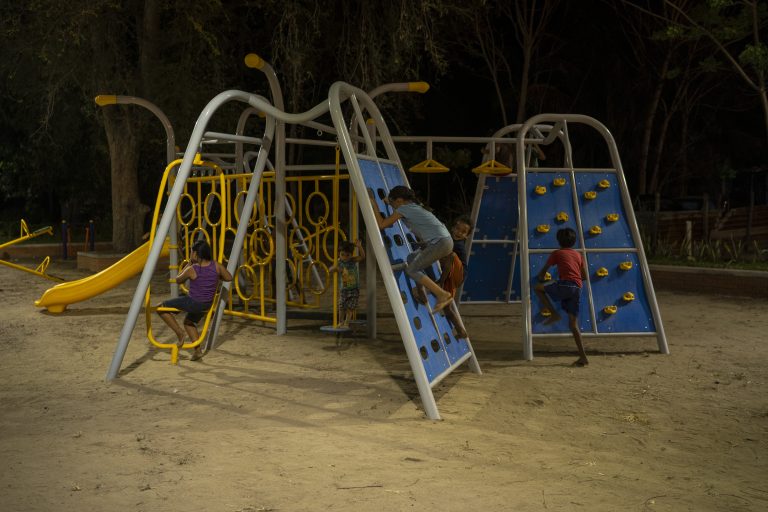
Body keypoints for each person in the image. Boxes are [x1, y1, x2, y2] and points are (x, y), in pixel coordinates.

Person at [369, 185, 453, 312]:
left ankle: (442, 294)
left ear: (399, 201)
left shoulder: (403, 209)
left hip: (439, 243)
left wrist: (374, 204)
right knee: (411, 258)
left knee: (411, 270)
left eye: (392, 203)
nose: (392, 206)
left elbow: (382, 225)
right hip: (444, 241)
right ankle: (421, 290)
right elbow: (395, 210)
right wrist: (389, 202)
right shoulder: (413, 206)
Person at [158, 239, 233, 361]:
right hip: (206, 304)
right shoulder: (216, 266)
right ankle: (198, 352)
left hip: (193, 302)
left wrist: (189, 263)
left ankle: (179, 333)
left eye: (192, 252)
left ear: (196, 254)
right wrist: (216, 277)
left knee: (161, 307)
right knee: (189, 322)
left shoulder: (193, 268)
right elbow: (229, 277)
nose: (191, 254)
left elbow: (178, 280)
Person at [534, 227, 589, 366]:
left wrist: (541, 278)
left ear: (558, 241)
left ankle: (554, 314)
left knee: (538, 288)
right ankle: (583, 357)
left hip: (566, 284)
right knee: (573, 324)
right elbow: (584, 276)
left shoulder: (557, 253)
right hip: (577, 288)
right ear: (574, 241)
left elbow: (543, 271)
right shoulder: (578, 255)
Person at [436, 215, 473, 338]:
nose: (459, 233)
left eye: (463, 232)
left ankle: (440, 282)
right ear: (453, 228)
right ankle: (461, 331)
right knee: (447, 307)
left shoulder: (457, 245)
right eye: (457, 229)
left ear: (466, 236)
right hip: (451, 277)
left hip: (459, 275)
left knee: (451, 255)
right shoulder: (451, 241)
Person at [328, 239, 365, 328]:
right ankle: (340, 322)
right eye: (342, 254)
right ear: (339, 254)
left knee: (350, 307)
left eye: (347, 255)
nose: (345, 257)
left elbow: (362, 257)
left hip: (354, 289)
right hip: (344, 289)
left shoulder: (352, 260)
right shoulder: (339, 262)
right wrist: (335, 268)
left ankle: (346, 323)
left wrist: (359, 247)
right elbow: (330, 269)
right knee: (341, 306)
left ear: (351, 255)